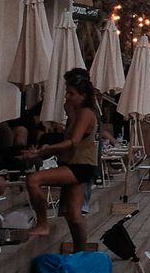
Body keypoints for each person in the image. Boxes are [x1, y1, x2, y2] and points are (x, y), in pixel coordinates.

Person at [24, 69, 100, 252]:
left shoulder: (86, 113)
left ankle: (43, 223)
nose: (67, 96)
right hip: (75, 164)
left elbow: (73, 141)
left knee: (33, 180)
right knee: (74, 215)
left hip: (79, 166)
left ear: (82, 95)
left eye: (71, 93)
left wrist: (47, 149)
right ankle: (79, 253)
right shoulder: (77, 112)